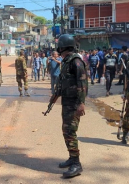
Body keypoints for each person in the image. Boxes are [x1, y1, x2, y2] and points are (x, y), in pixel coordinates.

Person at [56, 34, 87, 178]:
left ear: (63, 46)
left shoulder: (76, 61)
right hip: (67, 102)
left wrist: (81, 103)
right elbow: (63, 82)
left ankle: (76, 164)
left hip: (74, 103)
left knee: (70, 132)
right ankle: (72, 158)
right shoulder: (67, 61)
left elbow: (82, 83)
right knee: (66, 131)